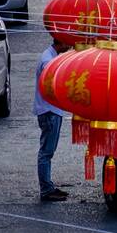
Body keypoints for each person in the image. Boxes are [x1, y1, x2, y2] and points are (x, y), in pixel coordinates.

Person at [35, 36, 70, 201]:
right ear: (59, 43)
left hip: (52, 110)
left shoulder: (51, 57)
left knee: (48, 152)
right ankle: (46, 190)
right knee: (46, 152)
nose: (69, 46)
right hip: (49, 111)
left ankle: (48, 186)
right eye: (66, 43)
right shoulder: (48, 62)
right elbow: (54, 87)